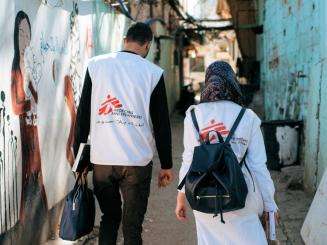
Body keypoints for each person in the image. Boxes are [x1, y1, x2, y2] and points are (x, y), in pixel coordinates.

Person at [74, 22, 173, 245]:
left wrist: (78, 159)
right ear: (147, 45)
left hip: (102, 161)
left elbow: (83, 117)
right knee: (132, 225)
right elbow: (161, 124)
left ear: (125, 40)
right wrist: (166, 164)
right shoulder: (153, 73)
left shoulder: (96, 65)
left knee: (109, 218)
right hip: (136, 162)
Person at [175, 61, 278, 244]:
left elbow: (189, 160)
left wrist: (181, 197)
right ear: (232, 82)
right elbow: (258, 166)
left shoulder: (193, 116)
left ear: (208, 82)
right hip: (242, 194)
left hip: (204, 195)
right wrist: (270, 206)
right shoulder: (248, 117)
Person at [11, 10, 48, 225]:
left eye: (27, 34)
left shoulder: (29, 66)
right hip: (24, 129)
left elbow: (37, 96)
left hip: (35, 127)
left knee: (38, 172)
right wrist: (27, 103)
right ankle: (24, 220)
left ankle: (40, 216)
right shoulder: (16, 68)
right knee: (27, 174)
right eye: (20, 34)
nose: (24, 38)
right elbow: (16, 107)